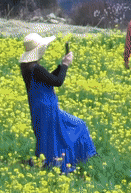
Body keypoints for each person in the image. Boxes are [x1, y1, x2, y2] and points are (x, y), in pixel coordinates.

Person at [19, 32, 97, 173]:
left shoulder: (29, 68)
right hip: (47, 109)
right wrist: (65, 65)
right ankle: (63, 161)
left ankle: (50, 161)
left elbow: (49, 78)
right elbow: (57, 82)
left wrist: (61, 65)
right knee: (76, 126)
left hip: (40, 108)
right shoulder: (36, 69)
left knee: (49, 137)